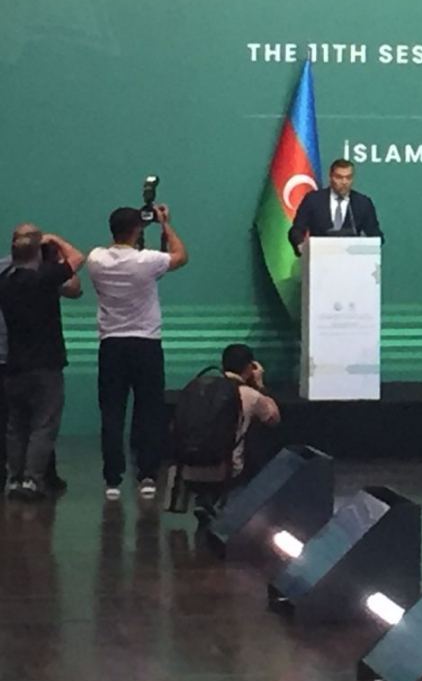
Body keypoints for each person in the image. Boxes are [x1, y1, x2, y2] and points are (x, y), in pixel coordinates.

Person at [87, 204, 188, 500]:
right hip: (146, 345)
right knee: (149, 412)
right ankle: (147, 476)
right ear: (137, 230)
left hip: (111, 345)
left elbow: (114, 248)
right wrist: (165, 224)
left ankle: (112, 479)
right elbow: (181, 255)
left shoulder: (96, 259)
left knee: (112, 413)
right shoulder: (148, 261)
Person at [0, 225, 84, 501]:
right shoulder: (45, 278)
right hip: (45, 363)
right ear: (36, 252)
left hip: (15, 364)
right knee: (43, 425)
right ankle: (33, 480)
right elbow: (78, 259)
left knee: (15, 427)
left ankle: (14, 479)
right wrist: (56, 241)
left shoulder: (5, 282)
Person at [180, 343, 281, 519]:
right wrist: (260, 385)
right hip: (227, 471)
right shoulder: (249, 394)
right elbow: (274, 419)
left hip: (188, 469)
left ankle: (206, 500)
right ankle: (230, 508)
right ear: (250, 368)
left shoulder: (198, 388)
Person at [288, 158, 383, 256]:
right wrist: (301, 246)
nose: (344, 182)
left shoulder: (363, 203)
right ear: (331, 177)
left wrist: (368, 247)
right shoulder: (313, 200)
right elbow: (297, 230)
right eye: (339, 177)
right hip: (319, 257)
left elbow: (376, 235)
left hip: (352, 260)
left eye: (348, 177)